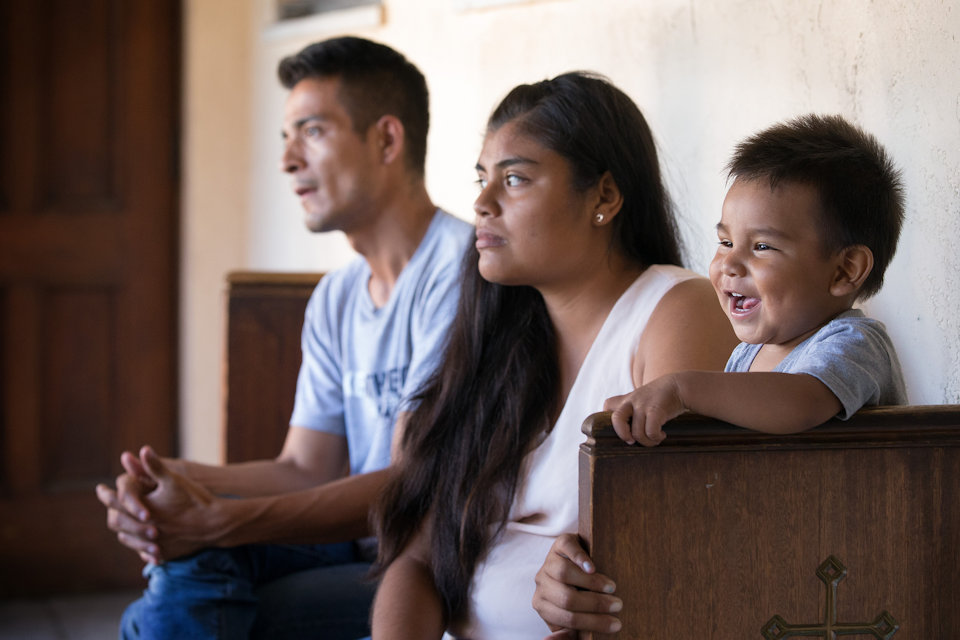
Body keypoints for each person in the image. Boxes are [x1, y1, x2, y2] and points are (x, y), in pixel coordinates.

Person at [94, 36, 473, 639]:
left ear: (386, 139)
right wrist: (171, 482)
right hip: (352, 546)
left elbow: (410, 485)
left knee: (173, 604)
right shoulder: (336, 296)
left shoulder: (462, 270)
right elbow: (305, 466)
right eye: (285, 137)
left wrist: (218, 521)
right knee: (186, 573)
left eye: (313, 131)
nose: (288, 159)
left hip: (426, 565)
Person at [368, 71, 738, 639]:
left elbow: (665, 548)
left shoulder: (675, 309)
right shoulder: (496, 338)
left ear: (604, 197)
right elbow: (416, 559)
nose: (482, 203)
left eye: (514, 179)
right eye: (481, 178)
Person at [533, 113, 909, 636]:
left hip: (846, 579)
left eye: (761, 247)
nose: (729, 265)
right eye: (725, 241)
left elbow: (801, 403)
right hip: (768, 568)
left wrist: (683, 388)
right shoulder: (745, 357)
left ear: (846, 270)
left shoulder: (852, 343)